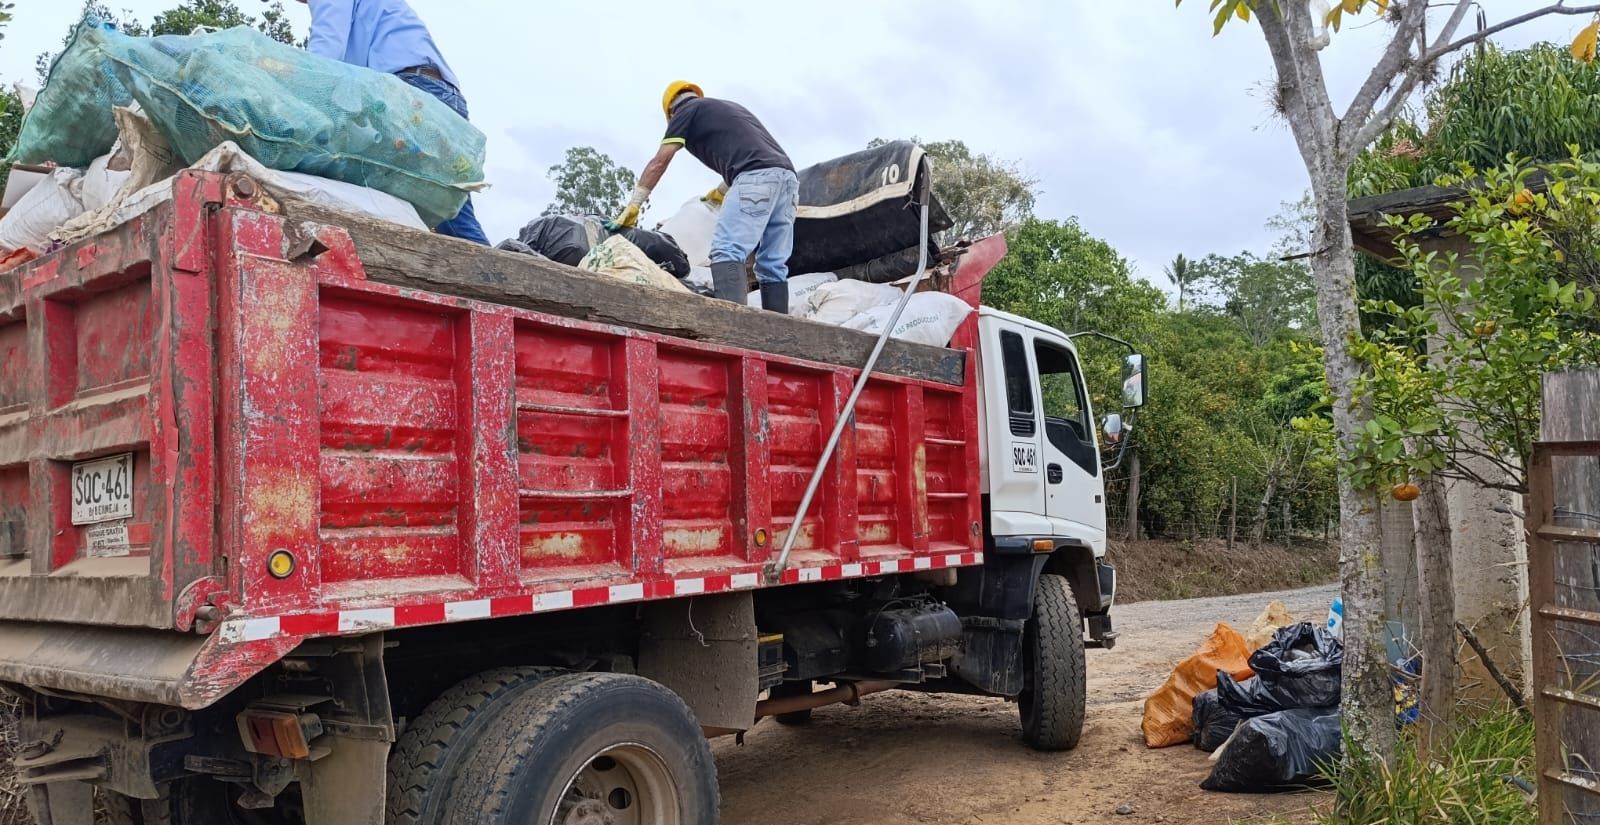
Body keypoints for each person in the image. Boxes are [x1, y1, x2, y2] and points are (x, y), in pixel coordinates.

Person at [296, 0, 489, 245]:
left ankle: (495, 278)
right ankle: (496, 275)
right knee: (452, 214)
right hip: (438, 94)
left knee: (358, 180)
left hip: (412, 95)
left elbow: (325, 53)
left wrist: (298, 102)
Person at [610, 82, 798, 312]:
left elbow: (660, 161)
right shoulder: (726, 109)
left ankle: (734, 325)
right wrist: (721, 191)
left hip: (754, 177)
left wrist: (634, 204)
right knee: (773, 263)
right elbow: (751, 153)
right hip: (788, 180)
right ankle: (778, 332)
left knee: (727, 249)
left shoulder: (685, 112)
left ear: (670, 112)